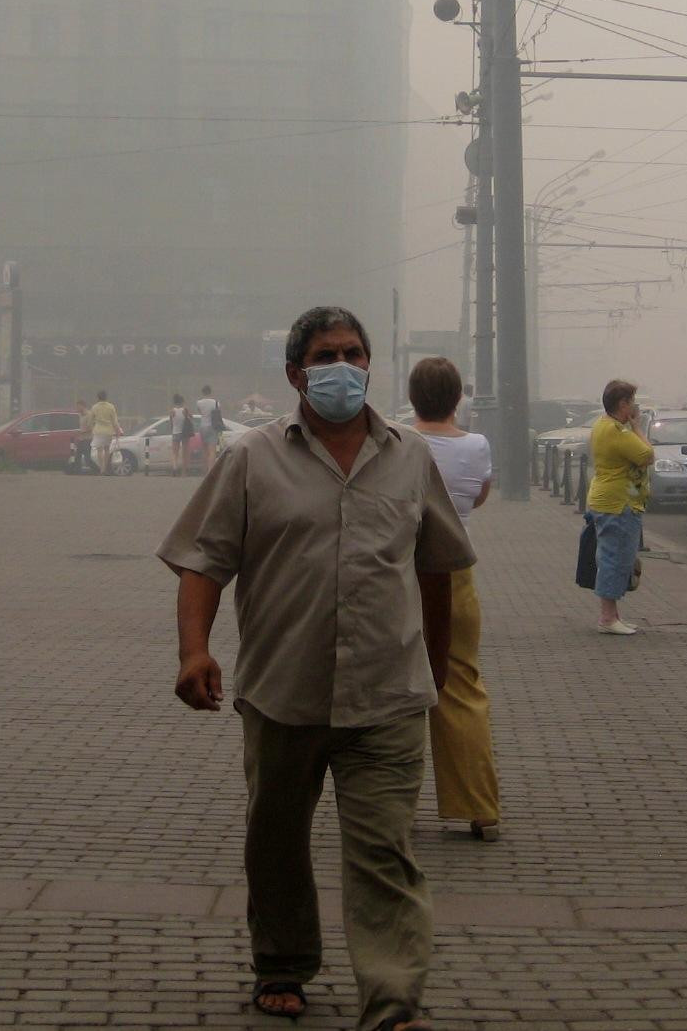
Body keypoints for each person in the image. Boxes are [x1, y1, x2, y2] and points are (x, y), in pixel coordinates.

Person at [160, 305, 472, 1031]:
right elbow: (203, 562)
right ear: (296, 373)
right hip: (281, 690)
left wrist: (436, 667)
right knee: (275, 842)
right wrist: (193, 650)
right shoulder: (250, 458)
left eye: (355, 353)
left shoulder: (408, 457)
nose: (344, 366)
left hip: (386, 694)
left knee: (384, 853)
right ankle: (282, 960)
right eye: (328, 355)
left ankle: (392, 1004)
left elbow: (436, 570)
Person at [407, 356, 501, 841]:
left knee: (393, 691)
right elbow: (478, 496)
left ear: (411, 397)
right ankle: (479, 808)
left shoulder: (398, 443)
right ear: (458, 397)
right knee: (461, 687)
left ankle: (391, 805)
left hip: (398, 577)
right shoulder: (477, 446)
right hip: (455, 572)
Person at [585, 379, 653, 636]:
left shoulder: (603, 425)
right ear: (622, 404)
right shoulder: (616, 430)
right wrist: (637, 427)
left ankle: (613, 615)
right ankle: (607, 618)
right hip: (618, 503)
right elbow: (647, 455)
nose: (634, 407)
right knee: (615, 559)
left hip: (610, 500)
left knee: (615, 557)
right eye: (632, 402)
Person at [89, 389, 121, 476]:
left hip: (98, 430)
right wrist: (118, 430)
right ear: (106, 397)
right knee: (107, 449)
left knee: (99, 450)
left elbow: (90, 420)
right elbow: (115, 421)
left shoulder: (94, 407)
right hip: (108, 431)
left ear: (98, 397)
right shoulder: (111, 407)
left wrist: (92, 429)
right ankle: (105, 468)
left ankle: (101, 468)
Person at [196, 384, 225, 471]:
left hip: (203, 426)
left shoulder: (199, 403)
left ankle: (204, 469)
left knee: (204, 449)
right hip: (213, 427)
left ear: (202, 392)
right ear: (210, 392)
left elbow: (200, 412)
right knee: (212, 450)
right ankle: (210, 470)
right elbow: (219, 413)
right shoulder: (216, 403)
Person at [168, 392, 195, 477]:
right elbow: (191, 417)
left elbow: (171, 422)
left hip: (175, 433)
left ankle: (174, 467)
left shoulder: (172, 411)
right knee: (184, 452)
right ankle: (184, 472)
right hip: (184, 433)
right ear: (182, 401)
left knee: (174, 452)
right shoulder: (185, 410)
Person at [73, 398, 96, 475]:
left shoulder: (89, 415)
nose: (77, 408)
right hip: (81, 439)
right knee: (77, 456)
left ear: (83, 406)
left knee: (87, 458)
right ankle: (77, 471)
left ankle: (97, 469)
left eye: (78, 406)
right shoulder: (81, 415)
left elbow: (90, 428)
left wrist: (81, 432)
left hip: (88, 439)